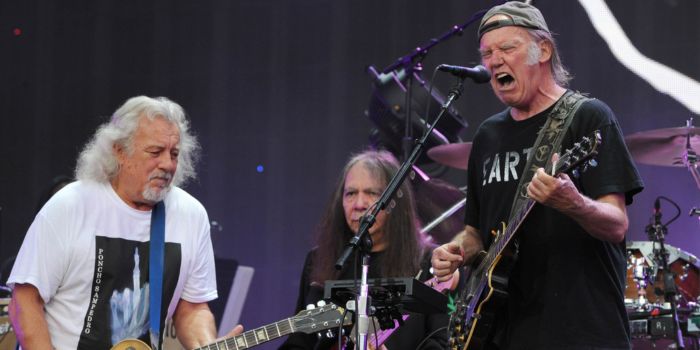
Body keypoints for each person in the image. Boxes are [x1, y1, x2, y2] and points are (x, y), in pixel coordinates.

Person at [431, 2, 644, 349]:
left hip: (579, 331)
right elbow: (475, 232)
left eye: (507, 48)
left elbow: (617, 224)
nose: (494, 60)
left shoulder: (588, 118)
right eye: (487, 53)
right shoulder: (487, 135)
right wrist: (456, 249)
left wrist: (573, 203)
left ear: (543, 49)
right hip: (501, 331)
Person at [7, 96, 243, 349]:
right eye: (155, 152)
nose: (167, 164)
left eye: (174, 154)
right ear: (119, 151)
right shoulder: (70, 205)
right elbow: (24, 301)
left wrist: (207, 345)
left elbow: (193, 307)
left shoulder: (191, 215)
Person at [280, 150, 448, 350]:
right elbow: (299, 341)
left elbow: (442, 343)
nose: (359, 204)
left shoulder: (433, 262)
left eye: (372, 193)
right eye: (351, 193)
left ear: (395, 202)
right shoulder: (319, 259)